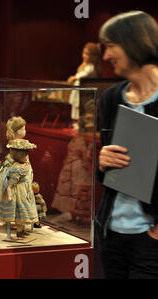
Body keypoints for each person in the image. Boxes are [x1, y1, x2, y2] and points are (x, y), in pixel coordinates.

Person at [95, 10, 158, 279]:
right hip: (112, 232)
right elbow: (104, 173)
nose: (106, 56)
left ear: (134, 42)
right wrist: (101, 162)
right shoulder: (111, 98)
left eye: (110, 46)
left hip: (151, 238)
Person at [68, 42, 103, 124]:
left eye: (87, 54)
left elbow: (84, 74)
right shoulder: (84, 65)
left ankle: (80, 123)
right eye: (84, 53)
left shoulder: (90, 67)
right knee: (76, 107)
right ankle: (75, 122)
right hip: (78, 91)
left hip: (84, 93)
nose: (84, 56)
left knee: (81, 108)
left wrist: (75, 77)